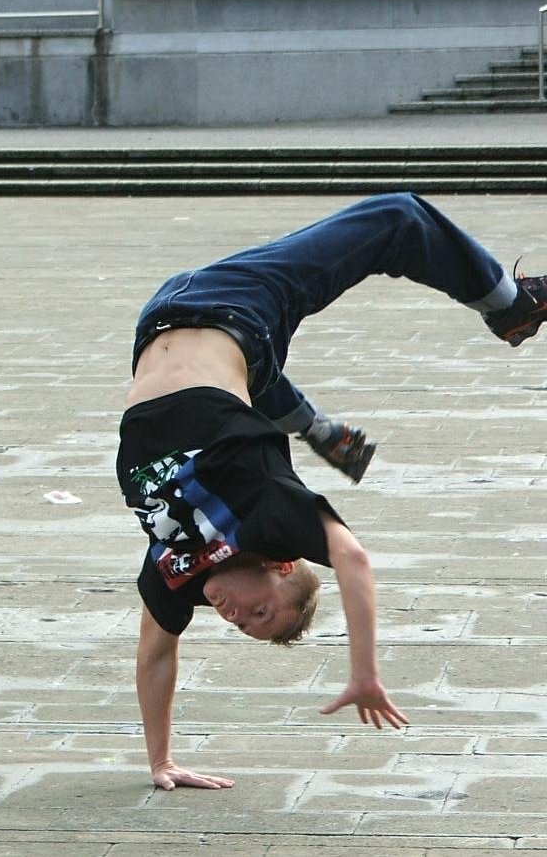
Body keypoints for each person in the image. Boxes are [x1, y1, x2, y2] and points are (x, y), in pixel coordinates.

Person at [116, 192, 547, 790]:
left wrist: (160, 760)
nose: (237, 616)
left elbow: (156, 653)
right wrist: (364, 672)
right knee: (398, 219)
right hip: (235, 306)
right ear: (280, 564)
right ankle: (513, 305)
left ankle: (317, 429)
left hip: (181, 333)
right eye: (260, 611)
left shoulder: (176, 562)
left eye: (243, 626)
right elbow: (352, 556)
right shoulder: (268, 518)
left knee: (253, 389)